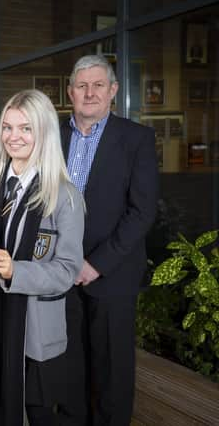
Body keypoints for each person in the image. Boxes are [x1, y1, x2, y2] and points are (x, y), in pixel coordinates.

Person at [0, 89, 85, 426]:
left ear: (44, 133)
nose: (14, 137)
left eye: (26, 128)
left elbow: (67, 271)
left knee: (39, 412)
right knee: (3, 411)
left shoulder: (63, 195)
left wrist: (15, 271)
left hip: (35, 326)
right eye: (8, 128)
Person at [57, 55, 158, 426]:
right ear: (70, 92)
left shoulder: (136, 138)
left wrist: (96, 263)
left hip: (112, 275)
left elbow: (142, 212)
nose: (90, 92)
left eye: (98, 85)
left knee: (112, 372)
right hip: (60, 274)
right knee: (69, 365)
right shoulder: (52, 135)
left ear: (113, 91)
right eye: (82, 85)